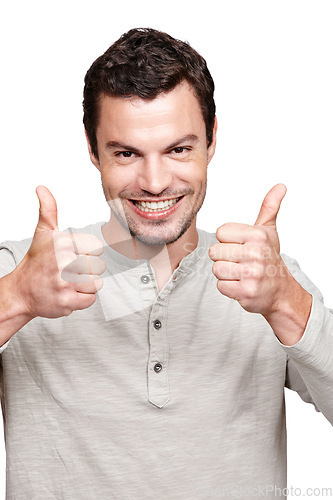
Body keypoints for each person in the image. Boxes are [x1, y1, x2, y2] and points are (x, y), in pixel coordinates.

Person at [0, 27, 332, 499]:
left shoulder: (268, 278)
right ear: (93, 150)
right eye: (126, 153)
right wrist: (16, 297)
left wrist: (286, 303)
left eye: (178, 149)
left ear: (212, 139)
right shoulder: (22, 270)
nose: (155, 182)